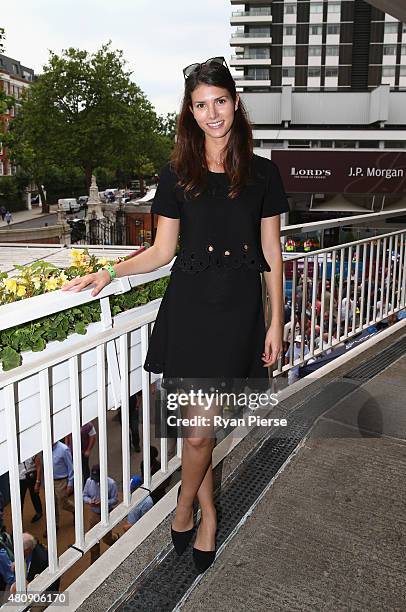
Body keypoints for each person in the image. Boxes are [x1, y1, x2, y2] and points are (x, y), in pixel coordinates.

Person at [61, 56, 288, 574]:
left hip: (237, 314)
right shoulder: (177, 173)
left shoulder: (263, 173)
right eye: (201, 105)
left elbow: (272, 252)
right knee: (197, 432)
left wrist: (275, 321)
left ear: (236, 103)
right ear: (189, 111)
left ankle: (185, 509)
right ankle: (203, 512)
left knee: (198, 433)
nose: (212, 114)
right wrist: (111, 272)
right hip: (188, 309)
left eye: (220, 102)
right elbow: (162, 251)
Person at [82, 464, 118, 563]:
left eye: (97, 478)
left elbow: (115, 500)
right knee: (92, 538)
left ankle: (114, 539)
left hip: (106, 513)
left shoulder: (111, 483)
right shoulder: (89, 481)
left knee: (106, 539)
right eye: (94, 478)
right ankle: (94, 561)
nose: (96, 480)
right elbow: (84, 495)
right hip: (95, 513)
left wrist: (103, 502)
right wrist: (89, 501)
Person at [43, 441, 75, 538]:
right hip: (49, 480)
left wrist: (70, 484)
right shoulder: (45, 448)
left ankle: (75, 510)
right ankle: (53, 526)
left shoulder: (64, 449)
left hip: (61, 481)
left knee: (63, 503)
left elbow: (71, 467)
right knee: (51, 505)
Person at [64, 422, 97, 486]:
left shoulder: (88, 425)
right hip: (72, 451)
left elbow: (92, 437)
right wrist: (66, 448)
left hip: (83, 451)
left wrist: (88, 450)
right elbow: (67, 436)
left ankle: (86, 486)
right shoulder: (70, 423)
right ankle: (73, 485)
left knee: (85, 469)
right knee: (72, 468)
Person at [19, 455, 43, 524]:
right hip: (20, 478)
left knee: (34, 495)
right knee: (19, 500)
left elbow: (38, 466)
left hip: (31, 475)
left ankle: (39, 512)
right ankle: (18, 522)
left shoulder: (30, 450)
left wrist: (38, 482)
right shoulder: (12, 452)